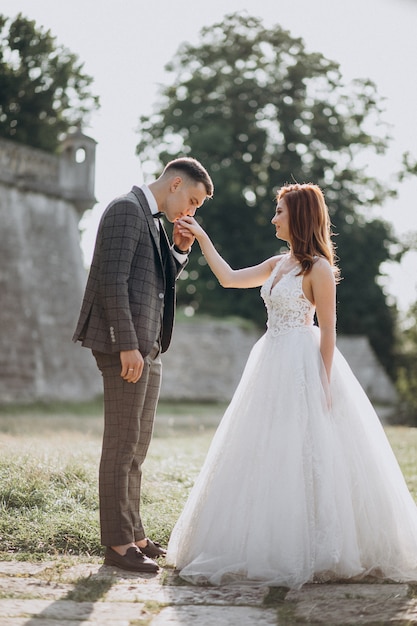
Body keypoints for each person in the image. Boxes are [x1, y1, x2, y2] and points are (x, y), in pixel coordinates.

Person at [166, 183, 417, 589]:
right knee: (268, 449)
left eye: (279, 211)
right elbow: (230, 279)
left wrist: (325, 380)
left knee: (310, 449)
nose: (273, 218)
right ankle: (268, 540)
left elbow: (329, 329)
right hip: (270, 359)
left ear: (298, 216)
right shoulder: (278, 263)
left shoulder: (317, 268)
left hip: (303, 357)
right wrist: (202, 237)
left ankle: (320, 546)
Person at [73, 157, 214, 573]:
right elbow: (111, 282)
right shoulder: (125, 209)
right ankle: (117, 546)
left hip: (149, 346)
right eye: (191, 200)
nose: (190, 211)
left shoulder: (152, 220)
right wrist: (126, 346)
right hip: (127, 347)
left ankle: (133, 533)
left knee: (136, 446)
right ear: (174, 184)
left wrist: (181, 248)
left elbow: (158, 281)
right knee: (120, 445)